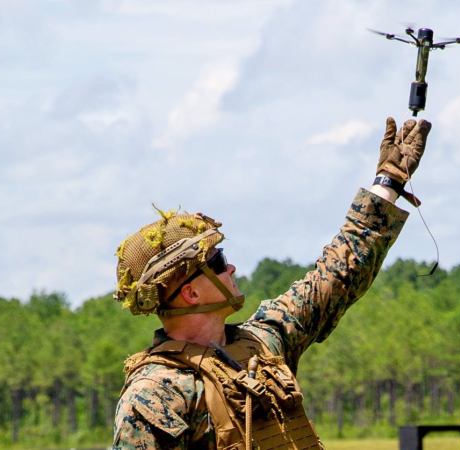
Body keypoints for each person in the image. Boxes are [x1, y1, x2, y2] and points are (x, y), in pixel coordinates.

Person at [112, 116, 432, 449]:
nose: (231, 267)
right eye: (218, 262)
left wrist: (388, 182)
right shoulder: (155, 395)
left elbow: (338, 272)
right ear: (190, 292)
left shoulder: (263, 343)